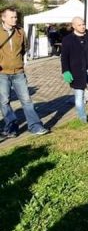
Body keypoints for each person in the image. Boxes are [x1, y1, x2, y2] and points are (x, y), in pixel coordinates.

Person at [0, 7, 49, 138]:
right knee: (4, 102)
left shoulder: (20, 32)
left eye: (16, 17)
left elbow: (24, 48)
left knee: (26, 100)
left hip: (19, 72)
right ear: (3, 18)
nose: (15, 19)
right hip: (2, 73)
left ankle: (35, 126)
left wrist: (19, 62)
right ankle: (11, 128)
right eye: (12, 17)